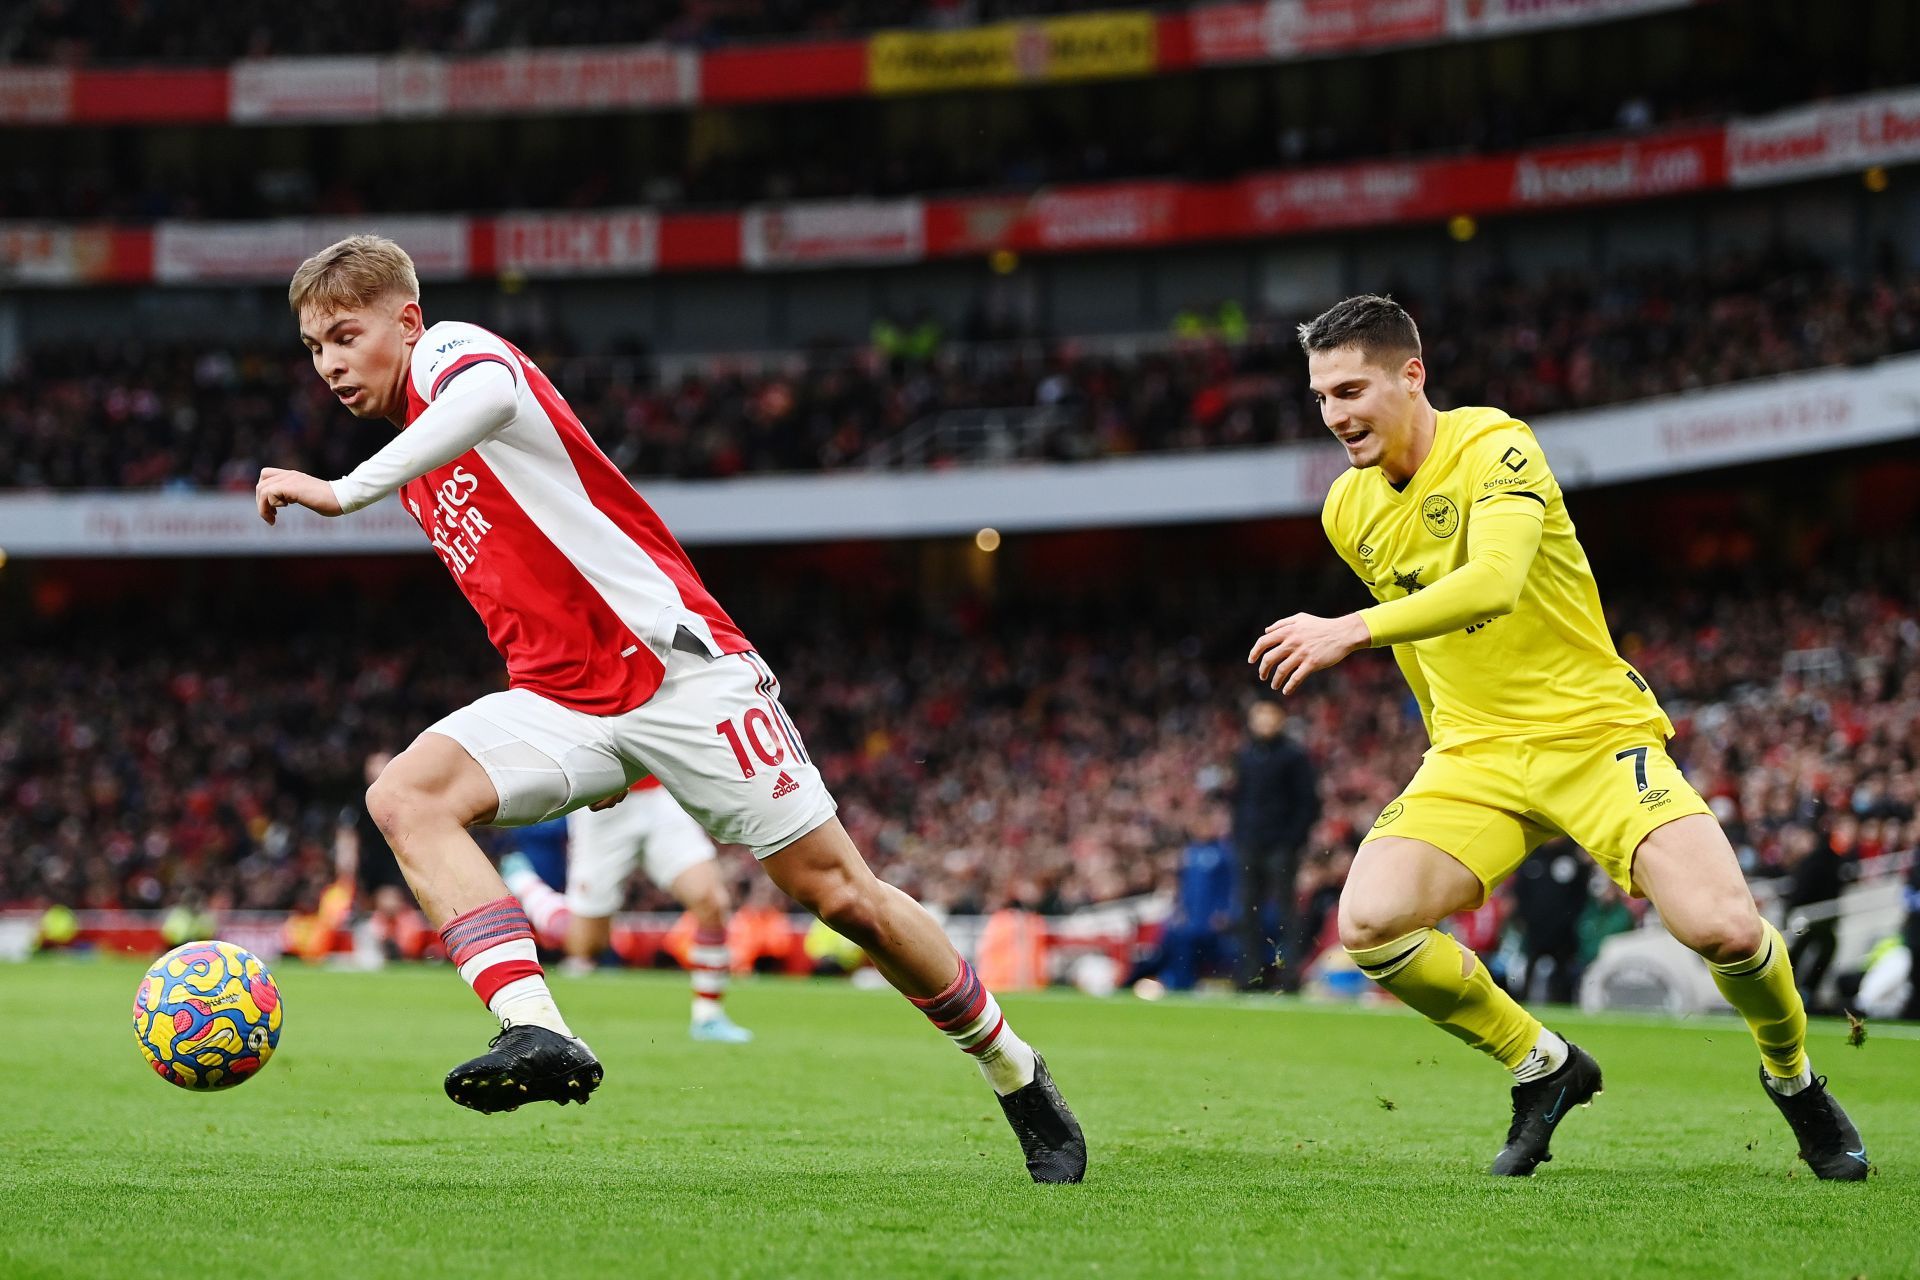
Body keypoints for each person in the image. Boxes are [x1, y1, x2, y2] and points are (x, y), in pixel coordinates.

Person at [255, 235, 1084, 1183]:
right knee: (405, 797)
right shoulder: (415, 442)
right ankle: (535, 1031)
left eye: (344, 336)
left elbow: (488, 397)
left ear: (403, 320)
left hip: (681, 674)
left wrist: (344, 490)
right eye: (314, 347)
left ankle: (1015, 1071)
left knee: (841, 898)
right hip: (565, 701)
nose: (328, 365)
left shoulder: (449, 354)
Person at [1248, 294, 1868, 1181]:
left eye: (1351, 390)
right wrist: (1445, 740)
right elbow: (1422, 646)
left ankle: (1793, 1076)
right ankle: (1543, 1065)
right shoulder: (1347, 510)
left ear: (1411, 375)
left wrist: (1348, 629)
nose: (1336, 415)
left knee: (1725, 929)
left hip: (1592, 737)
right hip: (1475, 756)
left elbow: (1494, 581)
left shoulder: (1498, 445)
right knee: (1370, 924)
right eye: (1320, 398)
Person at [498, 777, 755, 1043]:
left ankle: (708, 1017)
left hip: (658, 796)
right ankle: (525, 884)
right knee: (585, 946)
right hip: (602, 806)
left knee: (710, 902)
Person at [1231, 698, 1319, 992]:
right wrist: (1240, 835)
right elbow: (1239, 800)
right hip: (1250, 843)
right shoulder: (1245, 755)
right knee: (1247, 911)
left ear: (1281, 719)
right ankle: (1250, 974)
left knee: (1286, 913)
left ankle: (1289, 975)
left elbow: (1308, 802)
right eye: (1259, 715)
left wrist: (1292, 840)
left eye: (1270, 715)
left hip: (1280, 845)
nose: (1264, 722)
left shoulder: (1294, 756)